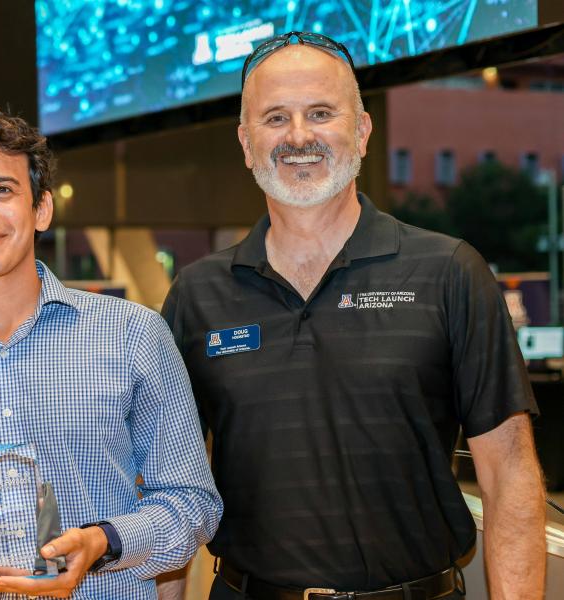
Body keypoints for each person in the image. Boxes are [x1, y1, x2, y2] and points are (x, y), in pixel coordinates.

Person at [161, 32, 545, 600]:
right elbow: (171, 492)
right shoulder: (197, 296)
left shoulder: (449, 272)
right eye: (274, 118)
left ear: (362, 131)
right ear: (245, 143)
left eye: (321, 113)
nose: (298, 136)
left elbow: (509, 475)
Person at [0, 108, 222, 599]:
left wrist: (106, 541)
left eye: (2, 190)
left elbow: (192, 503)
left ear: (42, 209)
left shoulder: (133, 336)